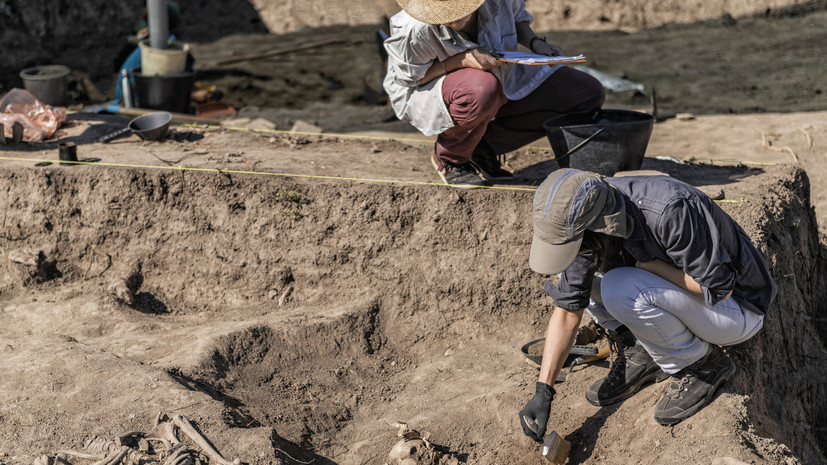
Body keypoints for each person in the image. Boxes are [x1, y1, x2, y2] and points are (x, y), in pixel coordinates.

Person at [519, 169, 776, 442]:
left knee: (619, 287)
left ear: (595, 224)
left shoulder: (669, 211)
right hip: (682, 300)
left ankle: (700, 366)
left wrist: (652, 267)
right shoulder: (588, 221)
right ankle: (640, 352)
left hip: (737, 310)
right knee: (574, 276)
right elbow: (569, 310)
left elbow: (719, 289)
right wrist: (543, 391)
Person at [383, 0, 605, 187]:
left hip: (502, 76)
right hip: (433, 88)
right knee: (481, 89)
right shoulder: (414, 28)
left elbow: (516, 19)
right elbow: (411, 79)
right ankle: (451, 157)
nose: (452, 20)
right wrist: (461, 61)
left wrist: (534, 42)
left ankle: (482, 146)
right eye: (444, 14)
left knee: (585, 93)